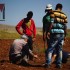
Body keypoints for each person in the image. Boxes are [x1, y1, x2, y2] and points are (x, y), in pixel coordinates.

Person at [44, 3, 68, 68]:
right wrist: (65, 35)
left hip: (54, 33)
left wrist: (48, 32)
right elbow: (65, 26)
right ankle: (59, 64)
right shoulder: (64, 15)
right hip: (62, 34)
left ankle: (48, 64)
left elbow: (52, 22)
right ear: (61, 8)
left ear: (56, 7)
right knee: (59, 50)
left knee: (50, 49)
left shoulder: (53, 13)